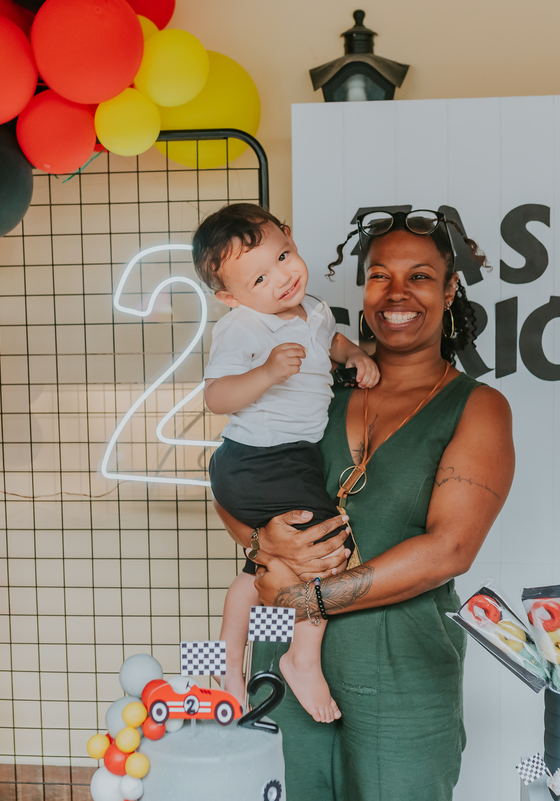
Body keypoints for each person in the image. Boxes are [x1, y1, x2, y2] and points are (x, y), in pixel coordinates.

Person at [214, 207, 515, 800]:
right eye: (380, 275)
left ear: (451, 289)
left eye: (421, 276)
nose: (396, 292)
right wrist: (259, 543)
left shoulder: (477, 408)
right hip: (284, 661)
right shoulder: (311, 389)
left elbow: (449, 549)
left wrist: (312, 595)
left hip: (402, 676)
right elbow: (238, 483)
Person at [193, 203, 380, 723]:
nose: (281, 278)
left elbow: (331, 342)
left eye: (283, 256)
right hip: (259, 460)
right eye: (259, 277)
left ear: (292, 238)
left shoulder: (312, 310)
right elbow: (217, 397)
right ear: (230, 296)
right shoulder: (244, 327)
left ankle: (229, 674)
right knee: (326, 547)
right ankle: (302, 657)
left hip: (279, 460)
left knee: (257, 574)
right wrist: (268, 374)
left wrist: (356, 357)